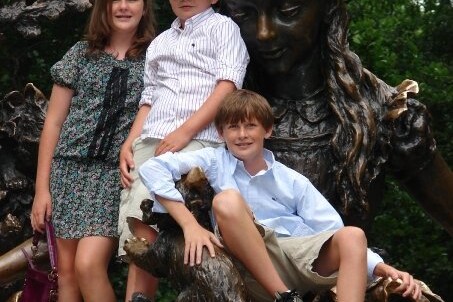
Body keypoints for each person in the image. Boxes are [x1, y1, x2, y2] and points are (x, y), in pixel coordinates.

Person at [138, 89, 421, 302]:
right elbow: (153, 168)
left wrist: (385, 269)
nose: (242, 135)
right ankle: (283, 297)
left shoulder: (290, 179)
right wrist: (189, 225)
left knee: (353, 235)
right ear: (221, 132)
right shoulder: (214, 161)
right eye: (233, 127)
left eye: (250, 126)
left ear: (267, 130)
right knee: (226, 200)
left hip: (297, 257)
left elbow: (331, 229)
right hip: (250, 263)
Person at [218, 0, 453, 235]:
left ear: (328, 7)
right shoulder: (208, 112)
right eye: (242, 15)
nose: (264, 32)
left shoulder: (385, 114)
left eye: (288, 11)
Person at [117, 0, 249, 300]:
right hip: (151, 139)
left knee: (147, 216)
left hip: (198, 139)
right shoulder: (161, 41)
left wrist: (185, 132)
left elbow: (227, 87)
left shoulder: (223, 28)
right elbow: (149, 98)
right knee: (138, 228)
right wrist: (129, 142)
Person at [30, 0, 156, 301]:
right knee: (67, 273)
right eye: (115, 0)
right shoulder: (80, 54)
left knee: (88, 266)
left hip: (112, 177)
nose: (123, 7)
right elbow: (54, 123)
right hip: (67, 172)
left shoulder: (156, 57)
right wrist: (41, 189)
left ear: (145, 7)